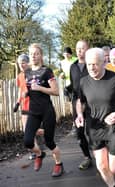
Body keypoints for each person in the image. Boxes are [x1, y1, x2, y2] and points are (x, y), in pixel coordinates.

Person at [75, 47, 115, 187]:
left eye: (95, 64)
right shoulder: (83, 81)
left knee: (114, 168)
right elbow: (80, 101)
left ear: (104, 62)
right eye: (89, 64)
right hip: (94, 128)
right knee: (102, 166)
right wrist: (79, 114)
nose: (91, 68)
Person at [23, 43, 64, 177]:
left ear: (41, 55)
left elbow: (56, 91)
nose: (33, 56)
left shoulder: (47, 71)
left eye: (36, 53)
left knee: (49, 141)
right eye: (31, 54)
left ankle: (58, 164)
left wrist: (40, 88)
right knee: (28, 141)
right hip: (33, 111)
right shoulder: (27, 72)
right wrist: (26, 93)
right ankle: (40, 154)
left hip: (47, 111)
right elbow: (30, 89)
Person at [68, 40, 93, 170]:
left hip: (91, 103)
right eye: (77, 48)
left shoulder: (92, 65)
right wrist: (69, 90)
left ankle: (100, 153)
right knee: (79, 133)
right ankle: (87, 157)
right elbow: (73, 85)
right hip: (77, 103)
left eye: (82, 48)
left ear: (87, 49)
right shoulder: (73, 66)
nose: (79, 51)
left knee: (91, 131)